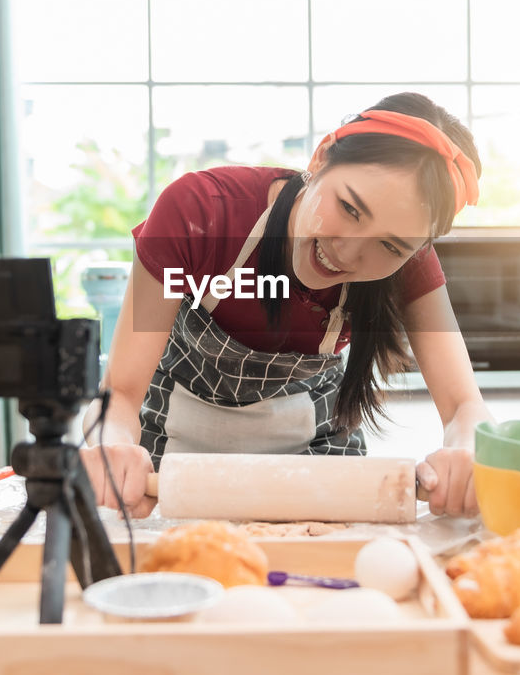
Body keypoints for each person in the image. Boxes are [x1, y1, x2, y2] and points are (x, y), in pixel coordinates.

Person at [79, 91, 493, 518]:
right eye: (350, 209)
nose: (347, 254)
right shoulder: (198, 214)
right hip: (173, 459)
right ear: (320, 158)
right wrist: (113, 448)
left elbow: (465, 405)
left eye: (389, 246)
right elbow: (121, 393)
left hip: (316, 463)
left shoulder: (409, 263)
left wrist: (469, 451)